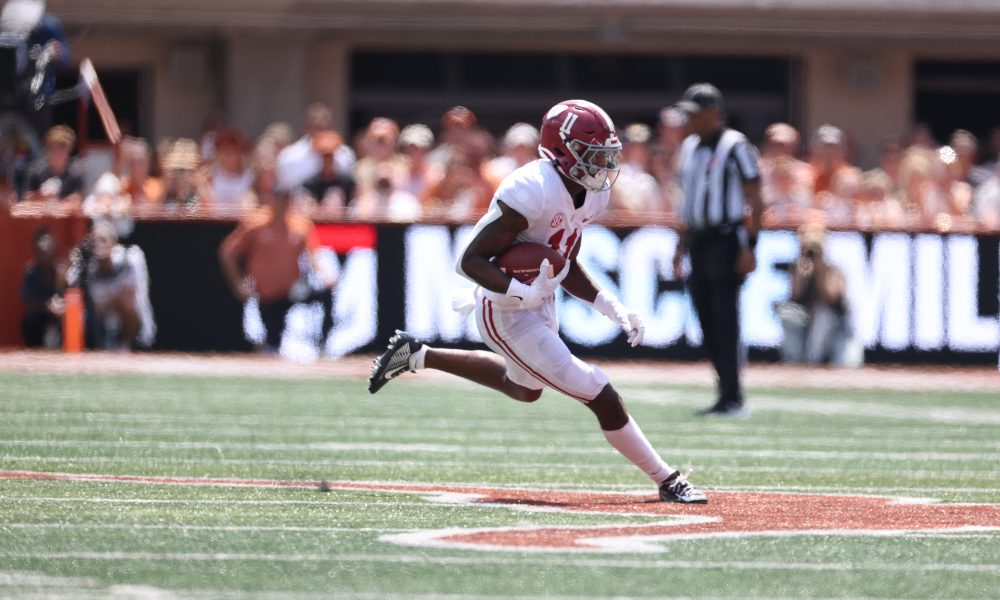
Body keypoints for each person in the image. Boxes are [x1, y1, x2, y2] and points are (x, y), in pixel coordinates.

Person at [368, 99, 707, 505]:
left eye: (604, 155)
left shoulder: (591, 192)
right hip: (506, 309)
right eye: (591, 154)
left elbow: (565, 260)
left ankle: (417, 355)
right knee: (600, 391)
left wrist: (609, 306)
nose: (601, 164)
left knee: (525, 389)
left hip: (538, 300)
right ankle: (667, 478)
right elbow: (469, 260)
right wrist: (519, 292)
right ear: (561, 150)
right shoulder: (530, 188)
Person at [671, 83, 762, 418]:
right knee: (706, 319)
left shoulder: (736, 145)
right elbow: (686, 201)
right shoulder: (689, 147)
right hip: (699, 239)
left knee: (726, 317)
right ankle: (724, 392)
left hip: (726, 237)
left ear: (714, 112)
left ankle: (733, 396)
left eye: (696, 114)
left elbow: (755, 196)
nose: (690, 121)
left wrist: (750, 245)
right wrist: (680, 244)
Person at [218, 183, 336, 353]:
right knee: (272, 343)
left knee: (325, 295)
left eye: (287, 198)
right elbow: (227, 252)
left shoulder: (300, 224)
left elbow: (313, 255)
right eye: (279, 198)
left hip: (293, 291)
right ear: (270, 199)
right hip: (267, 296)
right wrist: (238, 283)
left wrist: (325, 276)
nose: (283, 203)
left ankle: (323, 343)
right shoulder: (256, 223)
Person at [776, 222, 860, 367]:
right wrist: (801, 271)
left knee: (823, 314)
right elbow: (795, 295)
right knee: (787, 312)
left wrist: (819, 266)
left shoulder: (834, 270)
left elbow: (830, 296)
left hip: (837, 331)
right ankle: (795, 361)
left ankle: (813, 361)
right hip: (806, 328)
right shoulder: (798, 269)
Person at [72, 220, 156, 350]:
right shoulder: (88, 268)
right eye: (94, 241)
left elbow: (131, 295)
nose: (98, 244)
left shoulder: (131, 258)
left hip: (134, 326)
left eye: (103, 239)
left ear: (113, 243)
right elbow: (68, 283)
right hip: (100, 325)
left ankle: (123, 346)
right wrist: (76, 256)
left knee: (126, 305)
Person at [20, 227, 63, 348]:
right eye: (41, 252)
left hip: (59, 314)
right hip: (39, 314)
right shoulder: (31, 272)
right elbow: (27, 300)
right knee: (30, 320)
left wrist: (61, 307)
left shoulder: (62, 272)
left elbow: (70, 296)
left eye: (49, 251)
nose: (46, 255)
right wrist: (47, 306)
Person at [23, 124, 84, 206]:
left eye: (61, 149)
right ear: (46, 150)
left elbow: (78, 200)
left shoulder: (76, 172)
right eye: (52, 149)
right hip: (41, 215)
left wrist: (58, 202)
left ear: (69, 150)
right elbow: (27, 198)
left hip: (66, 217)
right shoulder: (36, 171)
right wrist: (40, 194)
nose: (56, 154)